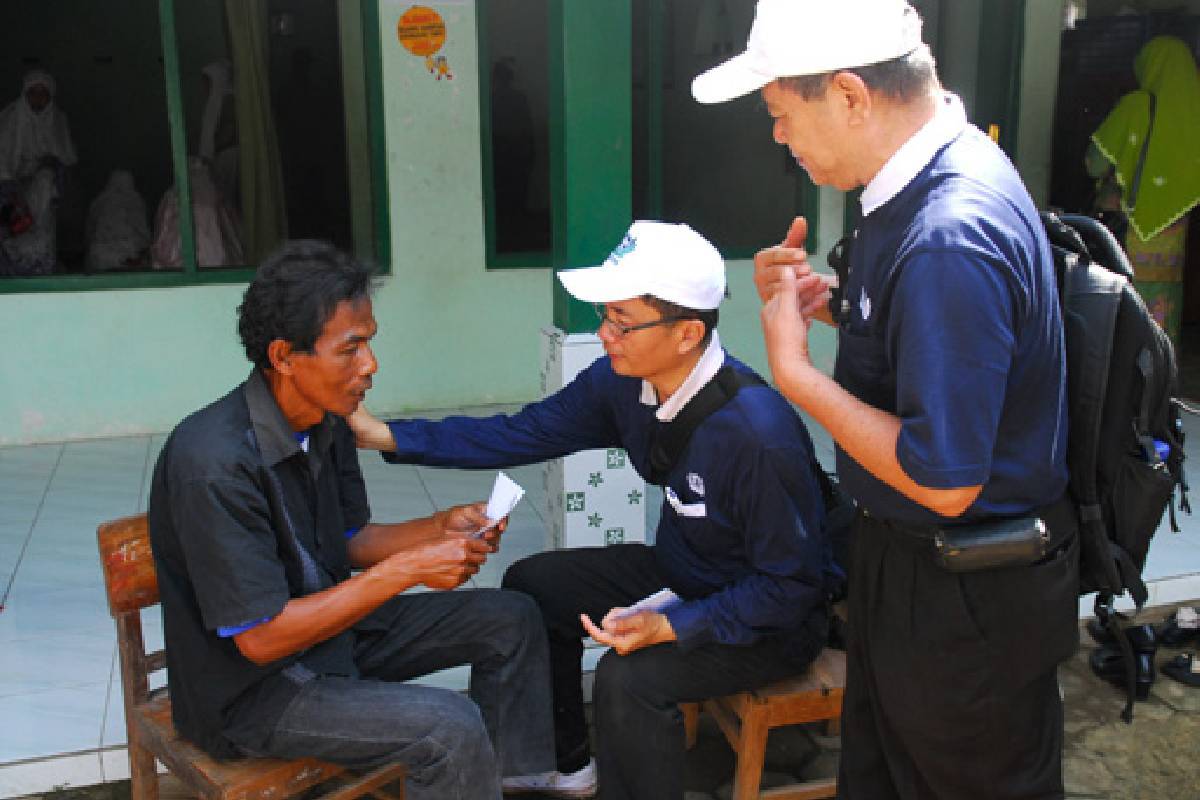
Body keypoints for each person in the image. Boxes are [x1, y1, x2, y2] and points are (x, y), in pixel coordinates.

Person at [691, 1, 1079, 798]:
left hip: (963, 596)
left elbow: (945, 477)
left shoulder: (948, 233)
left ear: (850, 95)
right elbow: (933, 331)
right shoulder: (922, 177)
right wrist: (827, 301)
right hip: (914, 569)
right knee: (883, 774)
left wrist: (799, 375)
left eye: (779, 113)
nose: (777, 137)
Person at [350, 221, 836, 800]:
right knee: (536, 584)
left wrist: (673, 625)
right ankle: (565, 762)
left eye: (622, 323)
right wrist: (385, 436)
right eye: (606, 317)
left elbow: (792, 587)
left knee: (628, 678)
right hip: (690, 573)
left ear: (686, 334)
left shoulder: (756, 435)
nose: (605, 335)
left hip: (767, 618)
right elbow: (522, 433)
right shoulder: (621, 382)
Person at [147, 241, 555, 800]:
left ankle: (499, 784)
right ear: (284, 356)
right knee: (448, 727)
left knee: (512, 618)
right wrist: (407, 569)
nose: (371, 365)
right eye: (351, 348)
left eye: (370, 343)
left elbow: (350, 540)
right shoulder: (213, 463)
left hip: (331, 638)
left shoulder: (325, 419)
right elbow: (262, 639)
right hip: (253, 693)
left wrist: (440, 527)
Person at [1085, 35, 1200, 344]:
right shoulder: (1193, 117)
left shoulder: (1136, 105)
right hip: (1172, 237)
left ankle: (1125, 383)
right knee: (1162, 309)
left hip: (1126, 228)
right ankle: (1160, 379)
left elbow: (1094, 164)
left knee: (1122, 305)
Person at [0, 70, 77, 275]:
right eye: (33, 92)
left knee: (42, 225)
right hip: (11, 187)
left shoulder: (58, 119)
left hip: (42, 189)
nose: (38, 98)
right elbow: (4, 157)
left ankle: (39, 268)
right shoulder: (10, 118)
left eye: (43, 93)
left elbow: (65, 157)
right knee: (13, 229)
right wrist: (11, 186)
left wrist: (51, 166)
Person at [85, 169, 150, 271]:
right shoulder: (134, 200)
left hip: (98, 258)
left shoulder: (98, 201)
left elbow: (89, 232)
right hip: (127, 257)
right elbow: (142, 230)